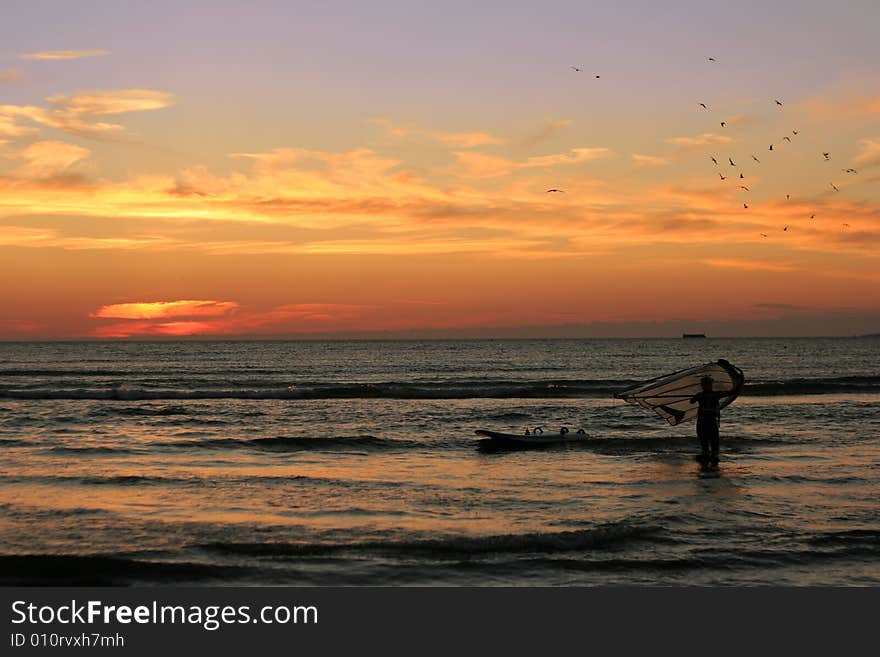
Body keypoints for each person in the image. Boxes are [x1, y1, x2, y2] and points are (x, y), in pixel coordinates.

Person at [690, 376, 724, 465]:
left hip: (711, 421)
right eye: (703, 384)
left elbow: (730, 392)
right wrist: (698, 396)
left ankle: (713, 462)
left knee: (714, 443)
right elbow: (692, 401)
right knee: (704, 442)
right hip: (702, 421)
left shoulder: (716, 394)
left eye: (707, 384)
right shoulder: (700, 395)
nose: (705, 386)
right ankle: (706, 461)